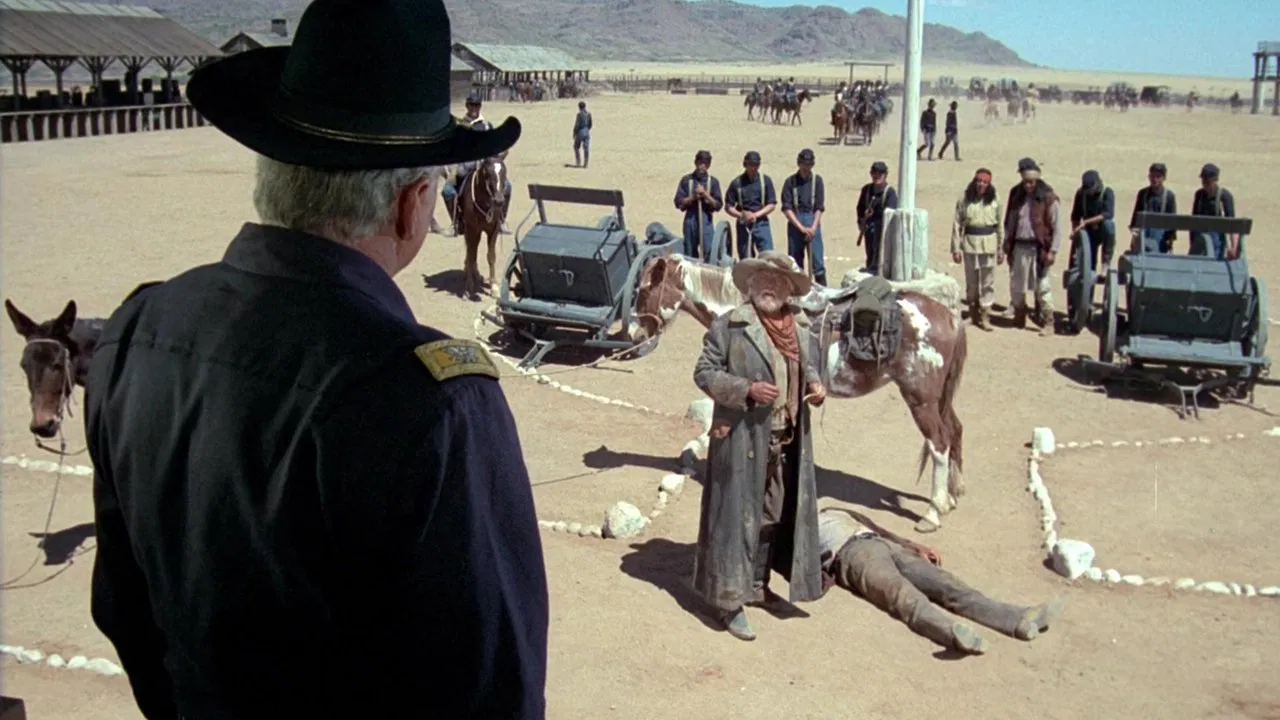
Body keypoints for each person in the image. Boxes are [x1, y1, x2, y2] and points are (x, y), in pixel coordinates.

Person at [87, 2, 549, 718]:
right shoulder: (430, 399)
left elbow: (124, 609)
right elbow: (492, 689)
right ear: (412, 204)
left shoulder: (137, 329)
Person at [692, 252, 827, 642]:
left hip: (784, 440)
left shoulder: (799, 329)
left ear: (788, 290)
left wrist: (815, 384)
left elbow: (805, 364)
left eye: (778, 281)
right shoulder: (730, 326)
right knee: (734, 518)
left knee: (772, 512)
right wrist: (745, 389)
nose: (770, 286)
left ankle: (755, 585)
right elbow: (704, 372)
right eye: (763, 279)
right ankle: (727, 602)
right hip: (740, 439)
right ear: (750, 285)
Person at [818, 507, 1065, 655]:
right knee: (903, 596)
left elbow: (881, 530)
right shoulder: (800, 526)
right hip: (853, 556)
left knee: (947, 584)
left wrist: (914, 546)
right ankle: (951, 633)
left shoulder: (835, 509)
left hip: (885, 544)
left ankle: (1018, 619)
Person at [1002, 157, 1065, 334]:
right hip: (1019, 247)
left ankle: (1048, 322)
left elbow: (1057, 227)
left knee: (1042, 287)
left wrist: (1053, 250)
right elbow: (1010, 220)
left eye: (1031, 182)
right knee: (1016, 286)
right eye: (1025, 181)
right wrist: (1007, 244)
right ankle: (1019, 315)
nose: (1028, 185)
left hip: (1039, 249)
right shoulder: (1016, 194)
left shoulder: (1048, 197)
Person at [444, 92, 515, 235]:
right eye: (471, 105)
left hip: (485, 168)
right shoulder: (460, 126)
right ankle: (456, 223)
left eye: (477, 105)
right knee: (447, 191)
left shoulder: (487, 126)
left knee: (507, 187)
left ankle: (501, 221)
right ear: (467, 106)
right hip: (466, 167)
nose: (474, 108)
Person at [950, 168, 1004, 331]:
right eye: (979, 181)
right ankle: (973, 314)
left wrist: (1001, 248)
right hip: (970, 244)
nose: (981, 185)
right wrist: (956, 248)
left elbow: (1000, 225)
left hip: (989, 244)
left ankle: (985, 316)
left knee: (988, 282)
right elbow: (957, 223)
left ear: (989, 184)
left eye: (985, 182)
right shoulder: (965, 198)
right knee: (971, 282)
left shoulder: (995, 199)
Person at [1065, 170, 1116, 332]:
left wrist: (1086, 222)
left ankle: (1106, 261)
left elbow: (1108, 214)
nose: (1089, 192)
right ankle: (1086, 306)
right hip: (1088, 235)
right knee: (1088, 268)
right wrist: (1075, 232)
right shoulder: (1081, 194)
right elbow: (1075, 216)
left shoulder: (1107, 192)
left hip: (1102, 230)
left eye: (1091, 188)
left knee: (1110, 226)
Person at [780, 148, 827, 285]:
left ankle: (822, 290)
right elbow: (786, 208)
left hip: (812, 221)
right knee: (795, 263)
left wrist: (813, 227)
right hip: (796, 222)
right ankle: (798, 291)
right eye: (804, 164)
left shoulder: (817, 181)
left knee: (818, 262)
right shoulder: (790, 182)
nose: (806, 168)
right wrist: (801, 227)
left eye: (809, 165)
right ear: (798, 163)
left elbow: (819, 207)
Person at [724, 151, 777, 260]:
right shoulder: (736, 183)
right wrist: (741, 215)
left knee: (768, 255)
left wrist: (755, 215)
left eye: (756, 165)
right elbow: (728, 206)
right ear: (745, 164)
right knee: (746, 258)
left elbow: (771, 204)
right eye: (751, 165)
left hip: (761, 222)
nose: (753, 168)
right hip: (743, 224)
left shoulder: (765, 181)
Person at [672, 149, 723, 261]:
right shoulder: (686, 180)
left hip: (706, 219)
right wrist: (693, 197)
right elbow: (678, 202)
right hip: (690, 218)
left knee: (709, 250)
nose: (702, 166)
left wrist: (705, 194)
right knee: (690, 251)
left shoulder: (713, 182)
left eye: (705, 163)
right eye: (700, 162)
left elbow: (718, 205)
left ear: (709, 165)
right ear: (695, 163)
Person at [855, 160, 899, 277]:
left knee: (882, 259)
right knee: (870, 257)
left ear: (885, 175)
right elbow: (860, 208)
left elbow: (891, 213)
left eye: (880, 173)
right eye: (874, 173)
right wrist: (862, 220)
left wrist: (876, 215)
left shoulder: (889, 192)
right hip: (869, 231)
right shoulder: (866, 190)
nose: (877, 176)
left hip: (884, 233)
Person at [1189, 163, 1238, 259]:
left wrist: (1234, 247)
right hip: (1199, 239)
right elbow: (1193, 221)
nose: (1205, 183)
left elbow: (1233, 225)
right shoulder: (1199, 195)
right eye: (1203, 180)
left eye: (1208, 181)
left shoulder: (1224, 197)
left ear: (1215, 180)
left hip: (1216, 241)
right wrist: (1192, 243)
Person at [1127, 162, 1176, 254]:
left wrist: (1170, 240)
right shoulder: (1143, 194)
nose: (1154, 179)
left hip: (1161, 236)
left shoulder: (1169, 196)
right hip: (1144, 232)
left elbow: (1172, 222)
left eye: (1158, 176)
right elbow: (1136, 217)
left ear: (1164, 178)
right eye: (1152, 176)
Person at [572, 100, 592, 168]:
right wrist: (587, 129)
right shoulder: (589, 114)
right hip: (586, 131)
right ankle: (585, 164)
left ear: (579, 107)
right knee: (586, 148)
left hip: (580, 132)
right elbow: (590, 124)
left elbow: (577, 125)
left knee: (576, 147)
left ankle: (578, 162)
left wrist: (574, 133)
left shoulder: (579, 114)